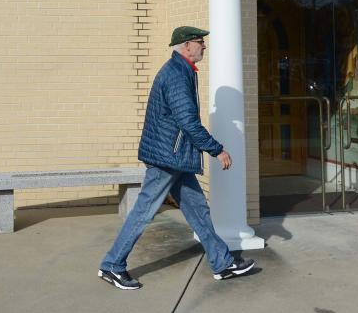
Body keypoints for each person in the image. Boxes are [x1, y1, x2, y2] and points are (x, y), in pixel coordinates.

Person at [98, 26, 255, 289]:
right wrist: (217, 150)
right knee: (144, 212)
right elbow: (188, 122)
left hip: (175, 156)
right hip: (167, 158)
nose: (204, 46)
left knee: (199, 211)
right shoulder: (175, 75)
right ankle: (112, 265)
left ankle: (222, 262)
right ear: (185, 46)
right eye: (199, 42)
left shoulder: (182, 71)